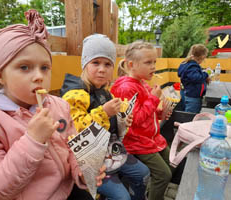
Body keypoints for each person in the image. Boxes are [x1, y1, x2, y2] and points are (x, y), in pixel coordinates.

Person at [0, 10, 105, 200]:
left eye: (44, 67)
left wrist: (81, 169)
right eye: (24, 67)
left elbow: (72, 147)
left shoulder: (59, 106)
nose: (39, 76)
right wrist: (33, 140)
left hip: (67, 191)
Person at [60, 34, 150, 200]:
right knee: (122, 197)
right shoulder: (76, 93)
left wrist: (124, 121)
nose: (102, 69)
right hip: (90, 162)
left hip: (112, 152)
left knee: (143, 173)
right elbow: (76, 130)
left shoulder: (105, 92)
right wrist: (104, 112)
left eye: (107, 64)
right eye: (96, 62)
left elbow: (114, 124)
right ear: (85, 64)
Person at [110, 41, 174, 200]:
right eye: (148, 62)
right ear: (132, 65)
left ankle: (150, 191)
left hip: (150, 138)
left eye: (154, 62)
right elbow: (135, 120)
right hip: (136, 141)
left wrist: (161, 113)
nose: (153, 66)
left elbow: (146, 114)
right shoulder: (126, 88)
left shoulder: (142, 83)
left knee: (170, 165)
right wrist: (153, 98)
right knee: (163, 175)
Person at [178, 44, 210, 113]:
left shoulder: (188, 64)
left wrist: (202, 72)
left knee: (188, 115)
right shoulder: (192, 66)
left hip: (189, 94)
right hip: (193, 97)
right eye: (203, 59)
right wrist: (206, 74)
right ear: (201, 57)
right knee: (191, 117)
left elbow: (192, 76)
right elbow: (196, 78)